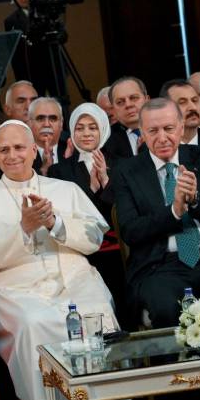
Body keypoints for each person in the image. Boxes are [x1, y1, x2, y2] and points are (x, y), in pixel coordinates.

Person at [0, 120, 115, 400]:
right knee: (33, 321)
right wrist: (23, 229)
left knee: (97, 312)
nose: (12, 155)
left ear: (34, 150)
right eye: (4, 149)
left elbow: (94, 239)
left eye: (19, 147)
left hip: (76, 279)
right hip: (16, 290)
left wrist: (55, 223)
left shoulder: (66, 189)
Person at [113, 98, 200, 328]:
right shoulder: (126, 171)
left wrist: (195, 198)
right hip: (160, 266)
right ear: (142, 133)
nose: (162, 137)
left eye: (168, 128)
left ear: (180, 127)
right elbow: (130, 230)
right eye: (153, 131)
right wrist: (174, 211)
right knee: (165, 308)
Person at [47, 104, 127, 325]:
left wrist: (106, 182)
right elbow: (67, 215)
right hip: (84, 250)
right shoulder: (60, 171)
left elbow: (125, 208)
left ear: (103, 129)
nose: (86, 133)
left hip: (121, 247)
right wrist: (91, 189)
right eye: (80, 128)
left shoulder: (122, 164)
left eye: (93, 127)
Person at [4, 0, 57, 97]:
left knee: (59, 101)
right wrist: (21, 80)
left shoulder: (47, 12)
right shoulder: (11, 21)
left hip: (52, 67)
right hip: (30, 72)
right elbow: (15, 54)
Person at [102, 76, 150, 160]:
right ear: (113, 109)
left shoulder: (168, 127)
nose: (128, 105)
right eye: (120, 102)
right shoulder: (105, 141)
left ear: (147, 100)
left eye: (134, 98)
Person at [28, 97, 71, 175]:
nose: (47, 124)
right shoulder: (20, 152)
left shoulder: (73, 149)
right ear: (30, 123)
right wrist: (44, 170)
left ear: (61, 123)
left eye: (53, 119)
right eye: (40, 119)